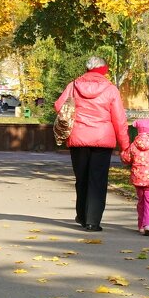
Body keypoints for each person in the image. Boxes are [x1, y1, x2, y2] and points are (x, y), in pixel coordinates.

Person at [55, 56, 131, 232]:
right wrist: (125, 145)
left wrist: (76, 113)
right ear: (104, 69)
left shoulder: (73, 86)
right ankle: (92, 222)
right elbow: (119, 119)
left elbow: (59, 105)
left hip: (78, 138)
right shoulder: (111, 89)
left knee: (81, 178)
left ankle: (81, 216)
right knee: (97, 180)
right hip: (102, 140)